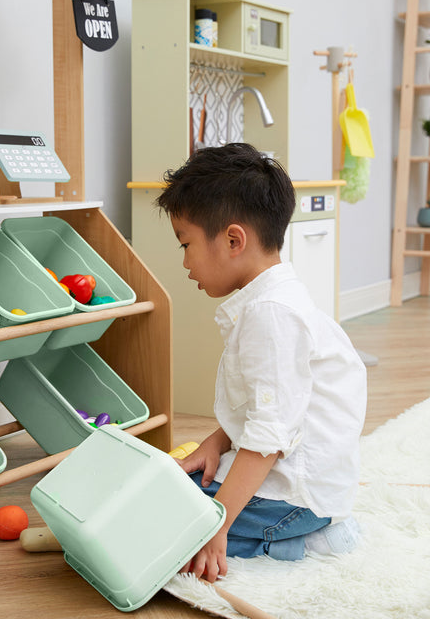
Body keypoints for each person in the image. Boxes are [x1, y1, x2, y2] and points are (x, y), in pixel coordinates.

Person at [156, 143, 367, 583]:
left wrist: (217, 523)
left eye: (186, 244)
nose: (184, 262)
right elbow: (270, 405)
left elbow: (269, 436)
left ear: (233, 240)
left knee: (164, 531)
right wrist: (216, 441)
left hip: (295, 501)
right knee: (166, 492)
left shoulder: (271, 316)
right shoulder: (273, 302)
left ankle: (301, 539)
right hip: (295, 480)